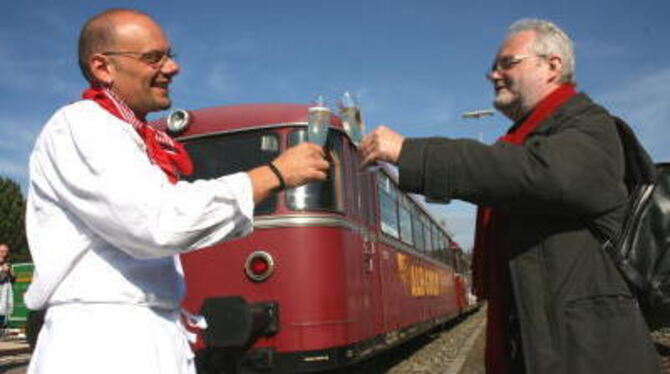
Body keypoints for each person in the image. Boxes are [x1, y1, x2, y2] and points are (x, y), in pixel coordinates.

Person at [25, 8, 329, 374]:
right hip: (106, 344)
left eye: (170, 55)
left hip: (144, 334)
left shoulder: (133, 137)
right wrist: (273, 175)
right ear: (103, 67)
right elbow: (157, 221)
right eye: (153, 58)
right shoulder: (80, 126)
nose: (172, 68)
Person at [360, 19, 661, 374]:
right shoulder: (521, 142)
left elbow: (536, 173)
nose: (494, 75)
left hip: (590, 354)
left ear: (552, 65)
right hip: (539, 347)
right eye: (493, 66)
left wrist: (411, 153)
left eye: (508, 62)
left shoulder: (592, 126)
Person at [0, 244, 14, 332]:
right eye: (2, 251)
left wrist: (11, 274)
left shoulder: (8, 263)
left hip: (7, 288)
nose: (4, 253)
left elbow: (13, 279)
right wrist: (3, 271)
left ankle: (3, 328)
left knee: (6, 308)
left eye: (6, 252)